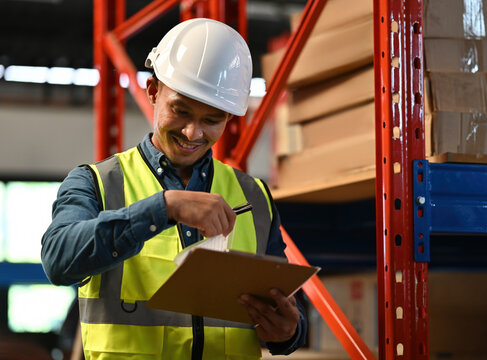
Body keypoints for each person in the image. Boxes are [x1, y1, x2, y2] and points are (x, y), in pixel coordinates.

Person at [41, 18, 307, 360]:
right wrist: (163, 208)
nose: (193, 133)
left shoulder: (254, 196)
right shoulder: (97, 183)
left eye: (212, 120)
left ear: (229, 118)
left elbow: (283, 306)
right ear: (153, 91)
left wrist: (289, 332)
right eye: (180, 111)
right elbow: (59, 260)